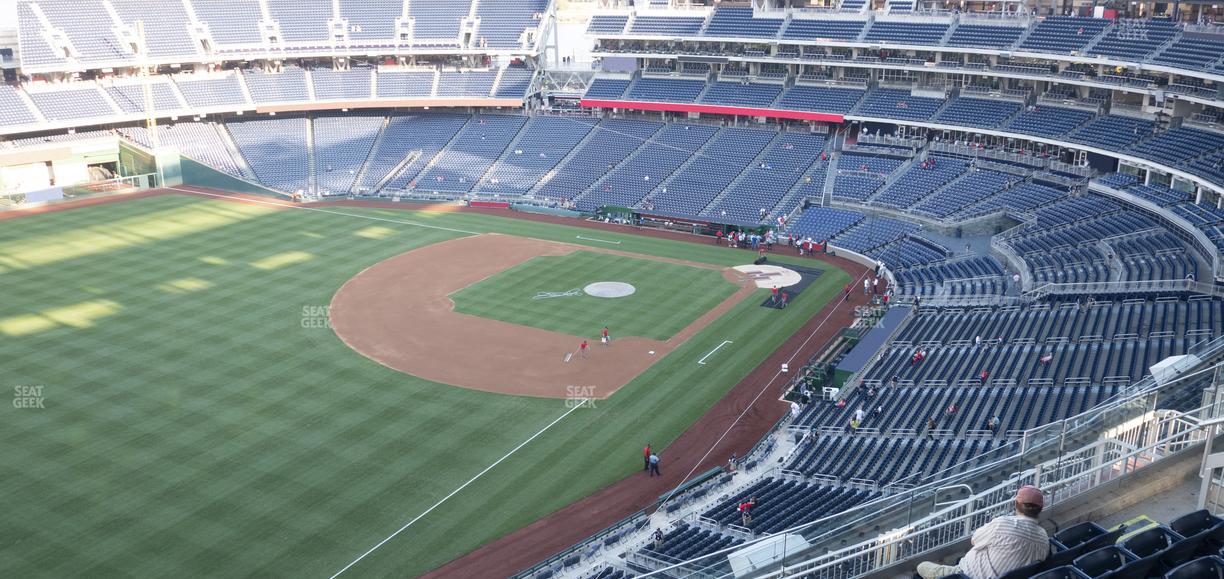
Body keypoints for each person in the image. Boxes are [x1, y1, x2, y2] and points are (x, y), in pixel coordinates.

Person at [917, 486, 1050, 578]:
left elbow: (974, 540)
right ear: (1040, 509)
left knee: (921, 567)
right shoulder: (1044, 538)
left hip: (965, 575)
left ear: (1016, 504)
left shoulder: (1002, 524)